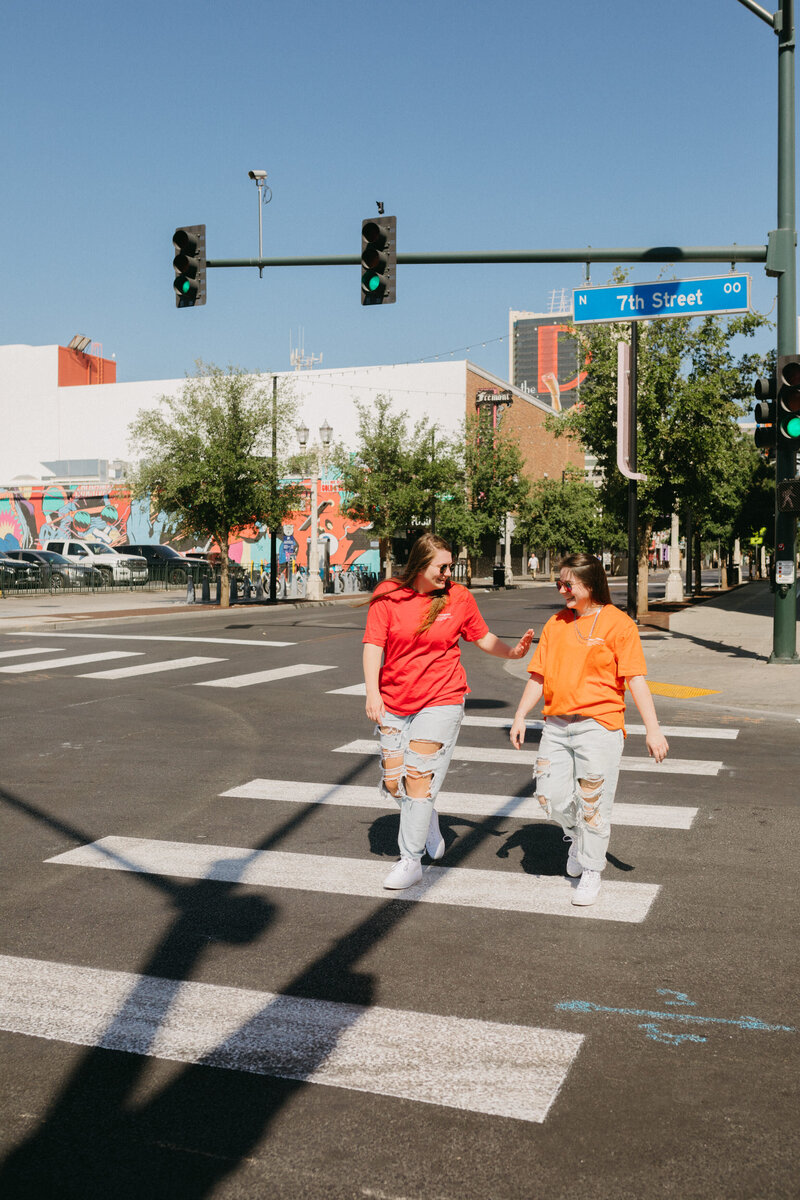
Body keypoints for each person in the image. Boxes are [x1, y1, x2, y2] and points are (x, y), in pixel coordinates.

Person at [363, 533, 534, 889]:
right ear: (421, 565)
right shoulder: (388, 595)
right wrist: (372, 693)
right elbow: (373, 646)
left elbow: (482, 637)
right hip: (394, 700)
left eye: (450, 565)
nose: (448, 572)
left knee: (419, 779)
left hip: (442, 697)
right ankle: (426, 819)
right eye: (442, 566)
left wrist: (513, 653)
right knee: (396, 783)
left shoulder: (458, 597)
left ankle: (410, 860)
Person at [509, 552, 669, 907]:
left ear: (591, 584)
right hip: (556, 725)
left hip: (600, 725)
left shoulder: (618, 624)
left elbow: (636, 680)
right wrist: (521, 715)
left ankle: (592, 869)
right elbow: (538, 675)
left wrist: (653, 730)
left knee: (594, 804)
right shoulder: (556, 624)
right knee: (550, 797)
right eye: (559, 583)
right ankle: (578, 839)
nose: (562, 589)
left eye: (569, 584)